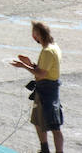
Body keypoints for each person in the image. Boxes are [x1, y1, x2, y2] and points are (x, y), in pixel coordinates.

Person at [11, 21, 64, 153]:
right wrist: (31, 64)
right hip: (45, 89)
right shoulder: (54, 47)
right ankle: (44, 148)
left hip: (47, 91)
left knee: (54, 126)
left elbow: (42, 73)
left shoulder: (48, 51)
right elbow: (43, 69)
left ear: (37, 35)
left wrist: (24, 66)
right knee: (37, 121)